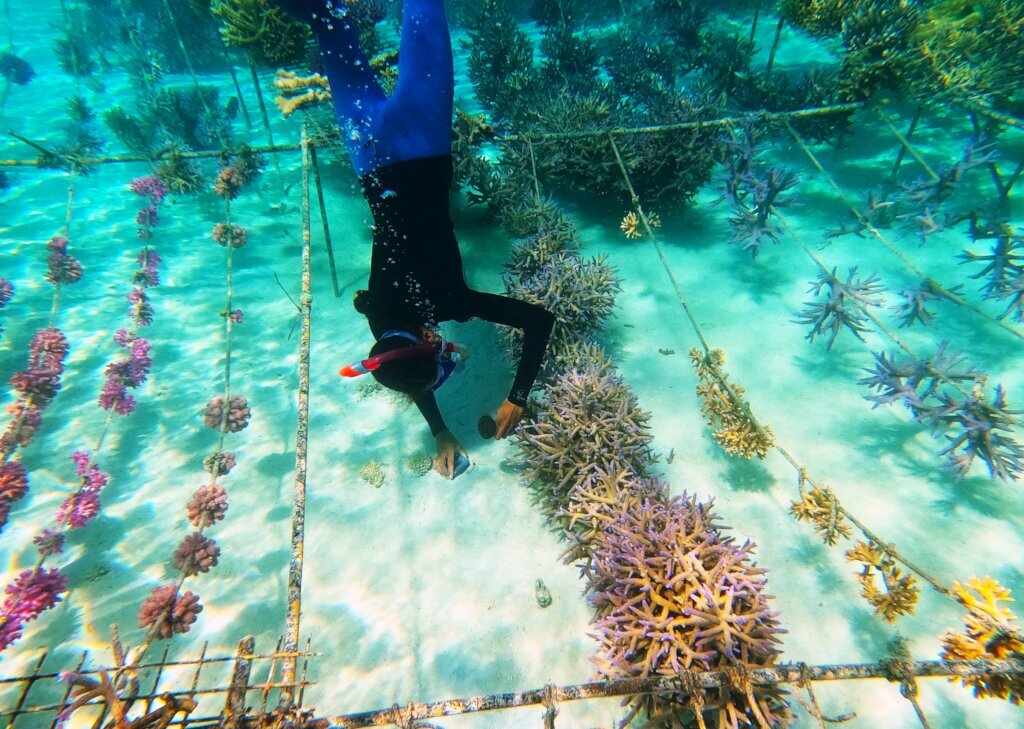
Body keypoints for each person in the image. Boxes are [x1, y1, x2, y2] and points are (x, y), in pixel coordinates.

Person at [273, 0, 555, 478]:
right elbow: (404, 367)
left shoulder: (452, 302)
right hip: (369, 156)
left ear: (430, 335)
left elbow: (540, 321)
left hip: (425, 141)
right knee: (328, 19)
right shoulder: (380, 321)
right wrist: (440, 431)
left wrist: (518, 395)